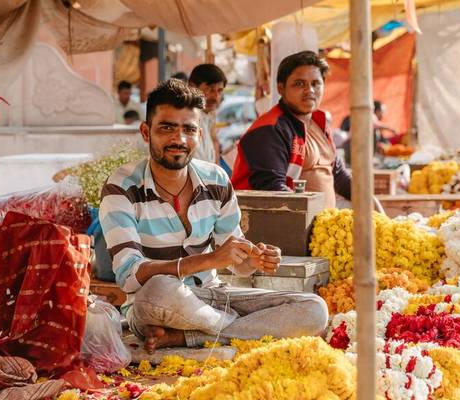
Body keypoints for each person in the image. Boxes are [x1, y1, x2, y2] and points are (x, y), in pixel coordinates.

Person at [99, 79, 329, 354]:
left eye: (188, 129)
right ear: (146, 132)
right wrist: (208, 260)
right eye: (167, 128)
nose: (179, 139)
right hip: (157, 306)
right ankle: (235, 329)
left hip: (214, 296)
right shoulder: (122, 187)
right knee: (158, 288)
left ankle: (189, 337)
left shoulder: (216, 180)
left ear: (199, 135)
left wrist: (253, 258)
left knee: (314, 309)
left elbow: (237, 264)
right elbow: (129, 275)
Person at [231, 50, 351, 209]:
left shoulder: (319, 123)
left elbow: (338, 176)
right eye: (299, 83)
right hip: (280, 228)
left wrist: (368, 199)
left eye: (316, 83)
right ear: (281, 88)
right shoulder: (269, 130)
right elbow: (272, 190)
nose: (310, 90)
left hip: (320, 228)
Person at [188, 64, 226, 164]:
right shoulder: (187, 119)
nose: (216, 96)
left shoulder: (207, 118)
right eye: (210, 89)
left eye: (219, 91)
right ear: (192, 87)